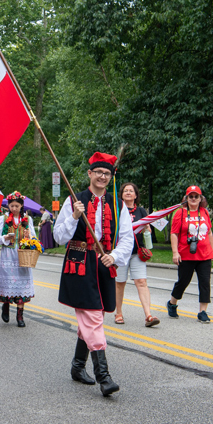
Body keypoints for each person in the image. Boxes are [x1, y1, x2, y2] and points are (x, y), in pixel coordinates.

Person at [53, 152, 133, 396]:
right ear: (89, 174)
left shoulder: (118, 204)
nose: (102, 177)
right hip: (79, 262)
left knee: (93, 316)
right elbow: (58, 236)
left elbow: (127, 238)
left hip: (102, 263)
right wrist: (75, 217)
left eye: (107, 173)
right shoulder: (73, 200)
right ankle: (104, 376)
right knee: (93, 318)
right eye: (98, 172)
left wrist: (115, 256)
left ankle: (78, 366)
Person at [167, 186, 213, 323]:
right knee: (183, 282)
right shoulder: (180, 213)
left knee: (205, 283)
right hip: (186, 255)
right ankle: (172, 303)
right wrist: (175, 253)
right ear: (186, 198)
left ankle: (202, 312)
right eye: (191, 196)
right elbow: (174, 234)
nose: (193, 199)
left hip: (204, 255)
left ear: (201, 199)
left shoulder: (204, 212)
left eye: (196, 196)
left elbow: (209, 233)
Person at [114, 183, 160, 327]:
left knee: (141, 282)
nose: (128, 193)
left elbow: (148, 233)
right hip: (121, 253)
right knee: (120, 283)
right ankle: (119, 313)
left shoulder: (141, 211)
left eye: (131, 191)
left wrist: (147, 229)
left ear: (135, 195)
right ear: (121, 195)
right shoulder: (117, 210)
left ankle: (148, 315)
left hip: (137, 253)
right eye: (125, 191)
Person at [0, 191, 36, 327]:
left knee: (22, 285)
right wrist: (5, 238)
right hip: (8, 254)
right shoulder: (2, 219)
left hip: (23, 255)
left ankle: (20, 315)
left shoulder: (28, 220)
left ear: (21, 206)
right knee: (9, 282)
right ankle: (6, 305)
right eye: (12, 206)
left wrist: (30, 238)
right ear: (8, 206)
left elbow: (34, 238)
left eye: (17, 206)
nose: (14, 209)